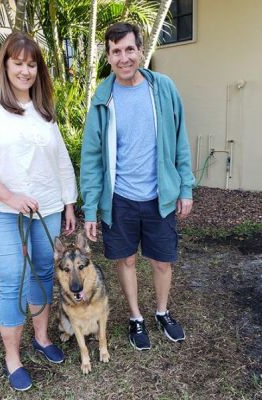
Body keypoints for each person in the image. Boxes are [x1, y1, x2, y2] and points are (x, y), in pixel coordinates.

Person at [0, 32, 77, 391]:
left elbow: (61, 161)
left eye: (31, 64)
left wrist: (69, 202)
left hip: (48, 206)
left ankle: (41, 339)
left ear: (38, 69)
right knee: (13, 278)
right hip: (1, 209)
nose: (25, 71)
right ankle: (13, 359)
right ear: (5, 65)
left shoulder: (44, 113)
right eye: (18, 63)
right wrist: (10, 197)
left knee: (42, 271)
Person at [80, 22, 195, 351]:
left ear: (141, 50)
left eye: (129, 49)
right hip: (120, 200)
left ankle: (161, 311)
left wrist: (185, 187)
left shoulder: (163, 88)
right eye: (116, 51)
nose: (123, 57)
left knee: (162, 261)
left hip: (159, 196)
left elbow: (179, 140)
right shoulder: (103, 98)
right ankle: (136, 317)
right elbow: (91, 159)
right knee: (126, 261)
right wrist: (91, 208)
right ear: (108, 56)